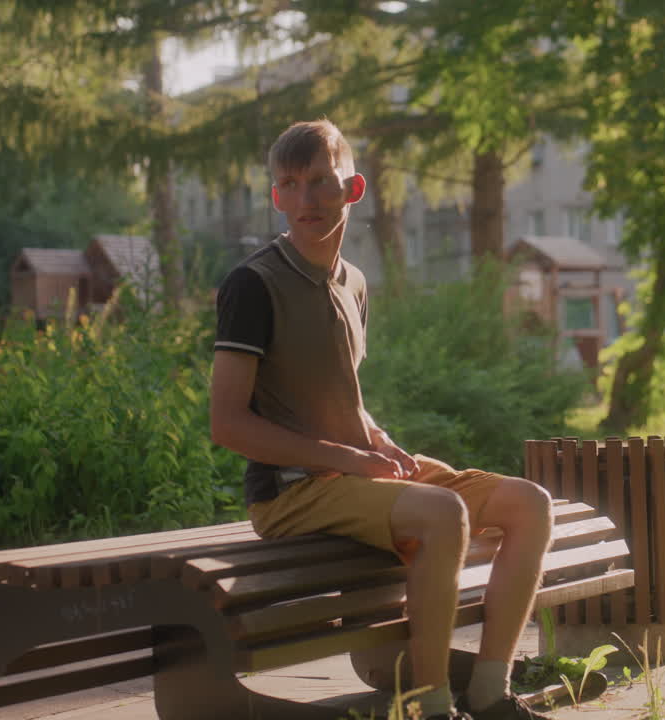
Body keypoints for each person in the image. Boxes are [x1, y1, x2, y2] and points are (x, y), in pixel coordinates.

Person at [209, 119, 555, 720]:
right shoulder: (253, 284)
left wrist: (378, 440)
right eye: (289, 184)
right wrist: (350, 459)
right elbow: (229, 425)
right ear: (275, 197)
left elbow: (342, 394)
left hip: (357, 479)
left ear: (354, 188)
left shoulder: (354, 283)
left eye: (321, 181)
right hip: (292, 494)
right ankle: (430, 706)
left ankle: (491, 695)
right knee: (444, 513)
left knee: (530, 505)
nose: (306, 199)